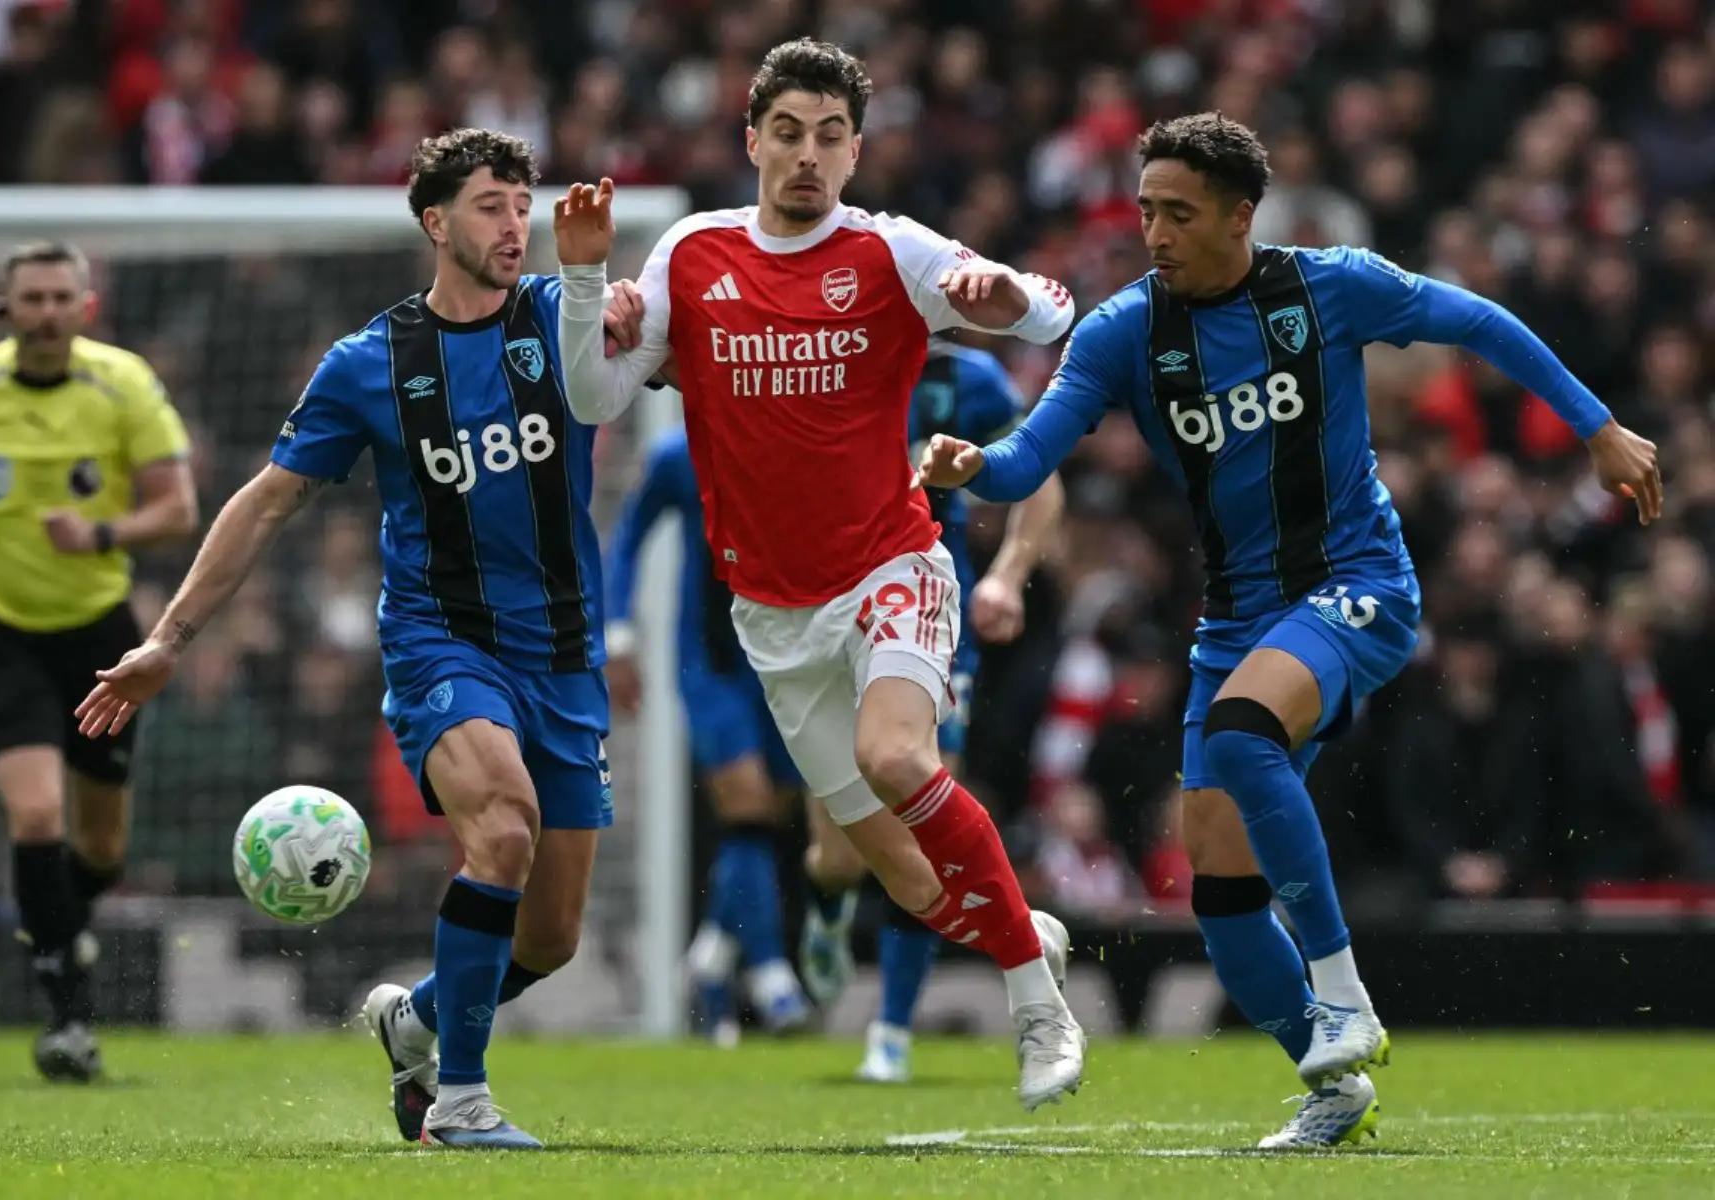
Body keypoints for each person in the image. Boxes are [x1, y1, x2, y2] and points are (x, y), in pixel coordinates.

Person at [915, 112, 1663, 1148]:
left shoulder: (1329, 286)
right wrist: (970, 466)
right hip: (1236, 621)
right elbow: (1028, 460)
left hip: (1358, 583)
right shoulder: (1123, 332)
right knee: (1218, 889)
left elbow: (1480, 322)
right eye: (1145, 211)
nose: (1157, 233)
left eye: (1180, 213)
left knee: (1238, 733)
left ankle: (1342, 991)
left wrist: (1599, 429)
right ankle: (1334, 1089)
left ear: (1240, 215)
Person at [75, 129, 646, 1150]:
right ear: (434, 222)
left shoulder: (569, 320)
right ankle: (461, 1102)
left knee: (552, 937)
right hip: (443, 646)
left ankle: (416, 1018)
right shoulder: (369, 363)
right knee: (502, 832)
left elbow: (679, 358)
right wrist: (169, 638)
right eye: (489, 206)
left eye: (523, 207)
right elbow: (265, 503)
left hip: (563, 655)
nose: (515, 225)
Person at [552, 38, 1086, 1111]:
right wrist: (578, 284)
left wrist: (998, 293)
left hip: (894, 564)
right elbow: (594, 399)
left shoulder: (892, 251)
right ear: (753, 141)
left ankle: (1038, 1010)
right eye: (788, 133)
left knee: (897, 755)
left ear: (855, 151)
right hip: (773, 617)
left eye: (830, 137)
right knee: (904, 877)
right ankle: (1027, 928)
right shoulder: (693, 255)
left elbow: (1048, 312)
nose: (808, 156)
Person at [0, 245, 199, 1080]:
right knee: (35, 818)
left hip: (98, 633)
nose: (44, 311)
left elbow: (178, 508)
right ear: (4, 309)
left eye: (59, 297)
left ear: (87, 306)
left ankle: (65, 927)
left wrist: (103, 534)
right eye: (29, 297)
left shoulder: (124, 385)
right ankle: (67, 1017)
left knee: (101, 848)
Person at [795, 335, 1066, 1083]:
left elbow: (1042, 481)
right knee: (842, 854)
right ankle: (826, 900)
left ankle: (890, 1032)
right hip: (825, 615)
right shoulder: (823, 356)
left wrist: (1008, 575)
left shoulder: (970, 380)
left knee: (922, 824)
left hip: (922, 615)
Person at [604, 425, 812, 1045]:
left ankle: (710, 960)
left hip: (792, 656)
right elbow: (629, 536)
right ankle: (774, 980)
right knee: (746, 805)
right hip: (712, 662)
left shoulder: (800, 432)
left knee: (770, 813)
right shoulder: (678, 452)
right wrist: (618, 633)